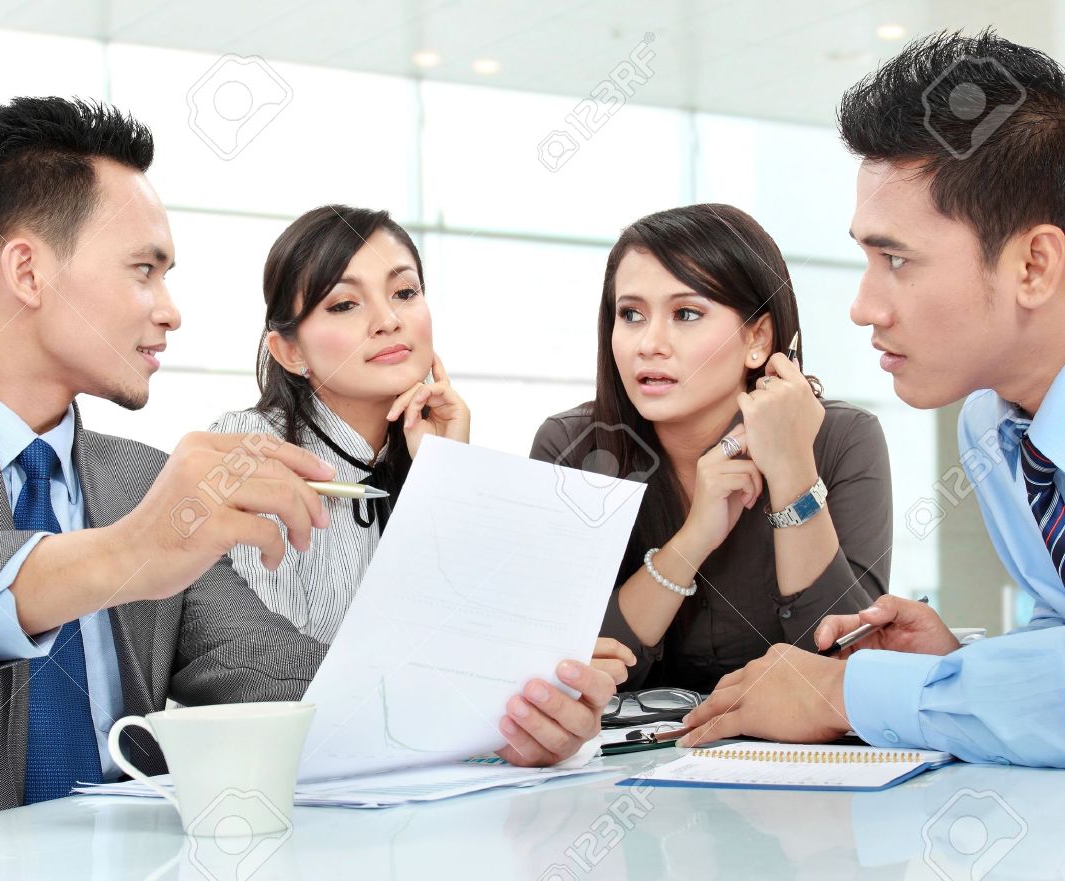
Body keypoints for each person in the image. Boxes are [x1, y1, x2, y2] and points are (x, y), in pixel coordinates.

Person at [0, 98, 615, 858]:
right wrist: (117, 558)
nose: (171, 307)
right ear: (27, 271)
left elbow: (278, 670)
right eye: (145, 268)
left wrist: (492, 716)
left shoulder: (139, 478)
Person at [679, 30, 1065, 768]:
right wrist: (948, 667)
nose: (863, 307)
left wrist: (850, 694)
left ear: (1033, 264)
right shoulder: (993, 424)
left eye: (896, 259)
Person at [212, 204, 636, 677]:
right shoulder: (249, 448)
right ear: (290, 351)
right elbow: (263, 665)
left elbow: (477, 632)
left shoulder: (420, 451)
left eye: (404, 292)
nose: (388, 320)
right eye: (344, 304)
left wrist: (448, 470)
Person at [531, 203, 893, 693]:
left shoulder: (843, 439)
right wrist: (693, 538)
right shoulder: (573, 448)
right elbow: (572, 670)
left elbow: (844, 658)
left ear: (758, 338)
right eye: (631, 314)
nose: (650, 343)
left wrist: (791, 472)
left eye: (685, 313)